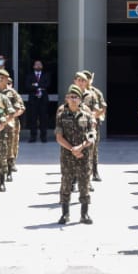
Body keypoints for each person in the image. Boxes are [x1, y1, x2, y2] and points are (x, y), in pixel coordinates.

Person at [56, 85, 95, 225]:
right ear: (66, 98)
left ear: (80, 100)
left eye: (76, 97)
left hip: (83, 155)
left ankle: (84, 214)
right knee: (66, 183)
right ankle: (65, 214)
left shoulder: (87, 115)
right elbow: (59, 137)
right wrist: (73, 149)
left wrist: (81, 147)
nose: (73, 99)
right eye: (70, 96)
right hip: (67, 155)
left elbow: (91, 136)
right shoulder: (61, 115)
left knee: (84, 184)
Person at [25, 59, 53, 142]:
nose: (38, 66)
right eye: (36, 64)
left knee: (43, 118)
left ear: (42, 66)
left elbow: (47, 85)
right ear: (33, 66)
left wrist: (35, 85)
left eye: (39, 64)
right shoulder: (29, 76)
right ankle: (33, 136)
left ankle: (43, 136)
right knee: (33, 118)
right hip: (33, 100)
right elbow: (27, 86)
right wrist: (40, 86)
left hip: (43, 100)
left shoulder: (46, 75)